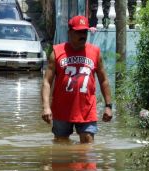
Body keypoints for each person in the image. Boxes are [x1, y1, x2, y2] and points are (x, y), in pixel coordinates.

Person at [41, 15, 112, 144]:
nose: (82, 35)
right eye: (78, 32)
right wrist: (46, 107)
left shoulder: (95, 52)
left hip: (87, 109)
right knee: (61, 147)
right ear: (70, 33)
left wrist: (108, 106)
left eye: (84, 32)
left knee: (88, 144)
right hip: (61, 109)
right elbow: (47, 81)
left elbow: (104, 80)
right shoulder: (57, 52)